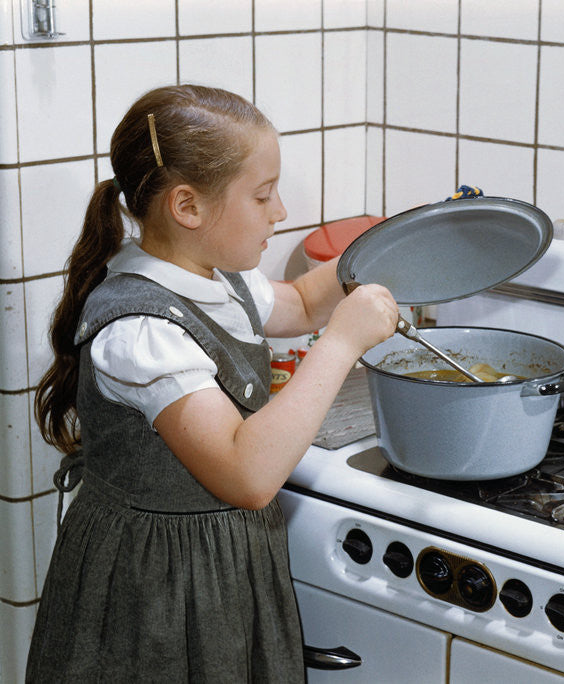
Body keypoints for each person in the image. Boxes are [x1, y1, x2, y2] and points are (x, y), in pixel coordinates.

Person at [27, 84, 399, 682]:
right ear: (188, 207)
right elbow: (246, 475)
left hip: (220, 568)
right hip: (154, 587)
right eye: (262, 195)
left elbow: (302, 302)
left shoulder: (213, 276)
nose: (279, 212)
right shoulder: (143, 331)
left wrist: (386, 245)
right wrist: (343, 342)